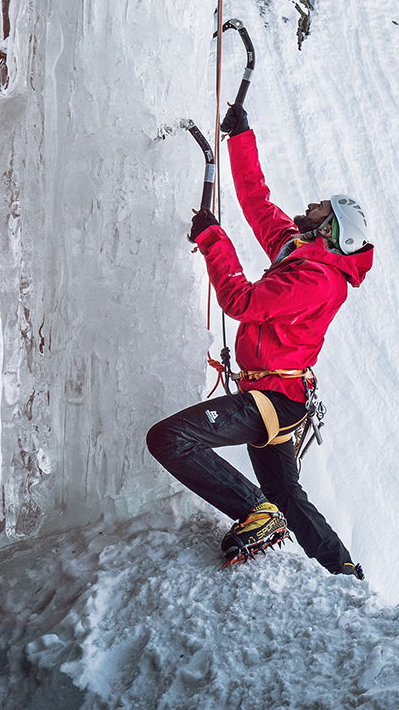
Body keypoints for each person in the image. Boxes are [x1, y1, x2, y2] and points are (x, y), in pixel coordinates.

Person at [147, 101, 374, 572]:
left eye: (320, 208)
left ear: (330, 228)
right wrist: (241, 140)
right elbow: (257, 205)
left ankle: (253, 512)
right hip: (279, 395)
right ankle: (343, 570)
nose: (310, 205)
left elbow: (242, 302)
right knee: (288, 493)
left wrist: (213, 240)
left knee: (169, 440)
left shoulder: (317, 280)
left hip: (272, 399)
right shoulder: (302, 253)